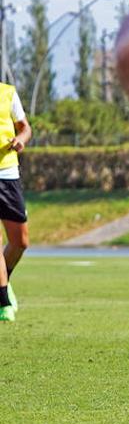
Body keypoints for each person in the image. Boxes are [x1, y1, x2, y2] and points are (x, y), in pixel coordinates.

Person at [0, 82, 31, 323]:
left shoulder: (7, 92)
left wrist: (21, 139)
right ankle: (3, 303)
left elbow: (25, 128)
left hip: (9, 174)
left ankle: (4, 280)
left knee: (20, 242)